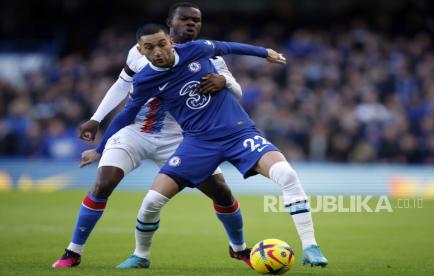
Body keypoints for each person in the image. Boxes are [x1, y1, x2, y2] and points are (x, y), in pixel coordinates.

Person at [102, 23, 329, 269]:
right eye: (149, 47)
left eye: (162, 44)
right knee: (151, 202)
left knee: (286, 174)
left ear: (170, 41)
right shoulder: (145, 79)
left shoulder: (196, 50)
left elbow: (229, 46)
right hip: (197, 143)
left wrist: (265, 53)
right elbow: (126, 115)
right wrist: (99, 147)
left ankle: (311, 248)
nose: (158, 51)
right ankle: (141, 256)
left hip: (238, 132)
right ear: (140, 50)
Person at [52, 2, 251, 269]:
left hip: (183, 138)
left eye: (196, 20)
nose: (191, 24)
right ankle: (73, 252)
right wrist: (96, 119)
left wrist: (224, 82)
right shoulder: (139, 51)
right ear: (171, 23)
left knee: (222, 194)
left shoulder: (211, 56)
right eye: (185, 19)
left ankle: (238, 249)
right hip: (137, 131)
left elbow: (237, 91)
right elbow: (122, 85)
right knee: (103, 182)